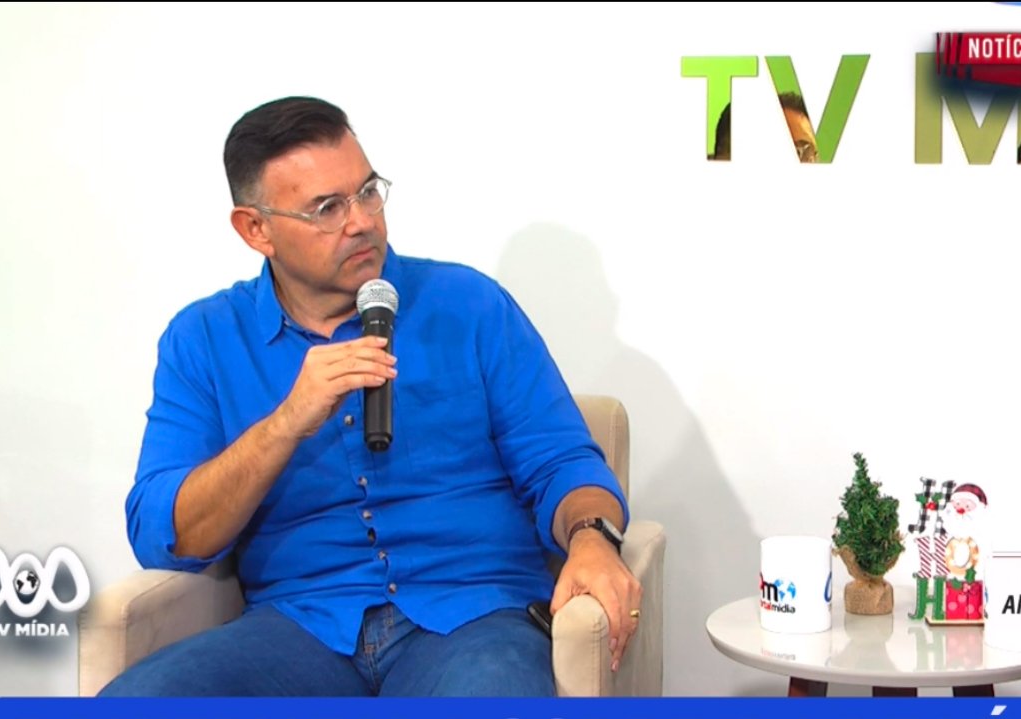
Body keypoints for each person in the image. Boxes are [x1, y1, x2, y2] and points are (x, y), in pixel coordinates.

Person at [99, 96, 641, 697]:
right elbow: (164, 533)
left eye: (367, 192)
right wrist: (285, 424)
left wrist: (592, 537)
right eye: (327, 208)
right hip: (301, 631)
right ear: (256, 229)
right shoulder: (204, 339)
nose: (361, 221)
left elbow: (563, 461)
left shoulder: (470, 305)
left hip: (473, 620)